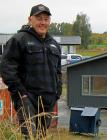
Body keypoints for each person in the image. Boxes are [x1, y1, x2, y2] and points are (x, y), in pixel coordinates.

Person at [1, 4, 62, 139]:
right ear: (30, 20)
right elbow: (7, 69)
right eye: (39, 18)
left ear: (49, 21)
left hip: (48, 100)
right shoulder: (19, 40)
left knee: (41, 135)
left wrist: (57, 93)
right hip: (27, 99)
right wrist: (21, 94)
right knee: (30, 135)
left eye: (46, 19)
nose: (43, 22)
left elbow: (58, 71)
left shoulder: (54, 44)